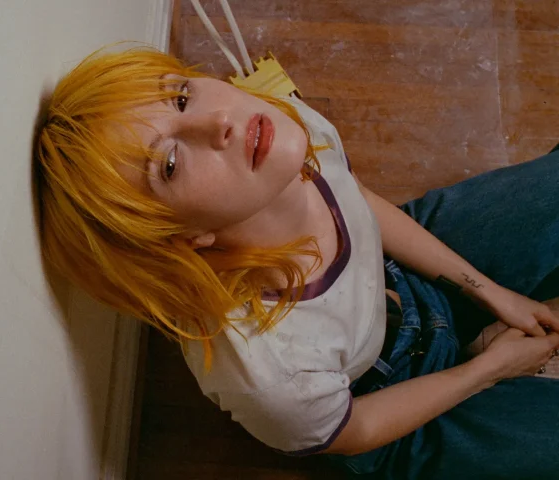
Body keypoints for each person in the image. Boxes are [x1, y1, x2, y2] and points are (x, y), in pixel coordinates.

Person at [34, 46, 559, 479]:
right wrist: (488, 371)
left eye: (180, 95)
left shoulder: (281, 129)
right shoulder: (269, 370)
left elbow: (355, 198)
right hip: (379, 404)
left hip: (397, 281)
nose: (220, 120)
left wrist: (488, 290)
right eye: (169, 164)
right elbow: (356, 430)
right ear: (185, 237)